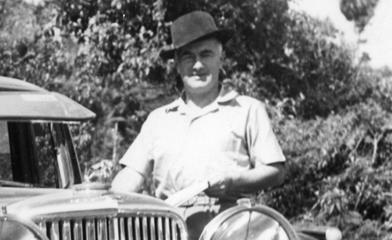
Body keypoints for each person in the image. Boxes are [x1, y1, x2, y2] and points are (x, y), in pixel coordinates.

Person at [111, 10, 286, 211]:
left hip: (230, 228)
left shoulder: (247, 109)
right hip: (171, 229)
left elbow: (276, 171)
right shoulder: (158, 120)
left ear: (220, 58)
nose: (198, 65)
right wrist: (110, 195)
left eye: (206, 54)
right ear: (177, 65)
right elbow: (132, 175)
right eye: (188, 57)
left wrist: (234, 180)